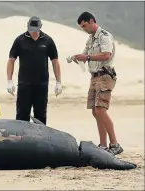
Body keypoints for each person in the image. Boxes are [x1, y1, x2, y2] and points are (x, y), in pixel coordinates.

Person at [73, 11, 123, 155]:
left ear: (91, 21)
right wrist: (79, 57)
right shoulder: (91, 39)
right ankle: (103, 145)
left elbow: (106, 54)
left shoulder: (104, 36)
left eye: (84, 25)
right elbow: (87, 55)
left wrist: (87, 57)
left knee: (101, 109)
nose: (84, 29)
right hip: (94, 76)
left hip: (105, 75)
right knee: (96, 111)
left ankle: (115, 144)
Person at [6, 16, 62, 125]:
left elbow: (55, 61)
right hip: (24, 83)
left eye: (36, 31)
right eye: (31, 30)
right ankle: (22, 140)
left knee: (40, 115)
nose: (33, 33)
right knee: (22, 115)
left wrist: (58, 82)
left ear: (40, 27)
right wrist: (9, 80)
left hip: (41, 84)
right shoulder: (19, 40)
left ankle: (40, 140)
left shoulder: (48, 41)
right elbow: (11, 60)